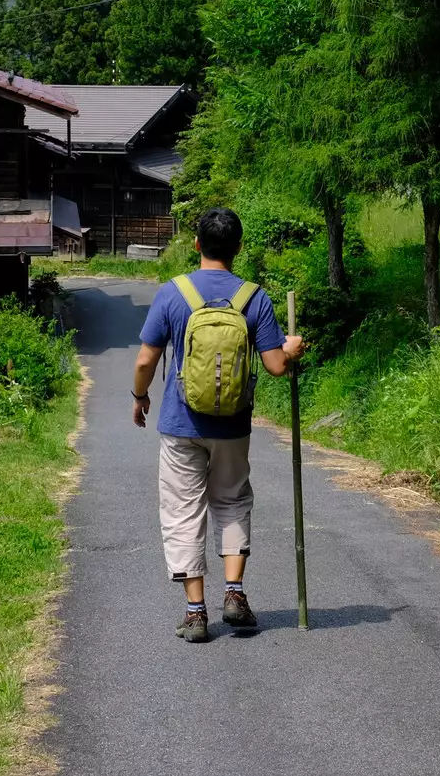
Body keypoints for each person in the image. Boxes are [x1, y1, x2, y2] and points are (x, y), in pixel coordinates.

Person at [132, 206, 304, 642]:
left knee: (183, 510)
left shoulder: (173, 293)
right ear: (238, 248)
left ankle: (195, 613)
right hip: (232, 425)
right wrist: (292, 349)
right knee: (231, 501)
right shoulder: (254, 297)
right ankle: (235, 594)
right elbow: (276, 366)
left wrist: (140, 397)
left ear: (196, 245)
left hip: (180, 422)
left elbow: (146, 359)